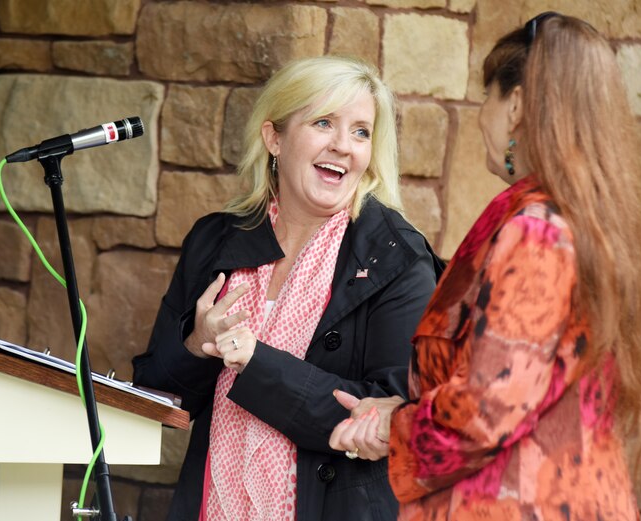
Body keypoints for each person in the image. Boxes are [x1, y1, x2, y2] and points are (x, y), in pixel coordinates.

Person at [329, 13, 641, 520]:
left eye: (486, 96)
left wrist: (391, 427)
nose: (480, 115)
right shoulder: (580, 223)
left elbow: (486, 411)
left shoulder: (539, 232)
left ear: (516, 106)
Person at [132, 56, 442, 521]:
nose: (344, 146)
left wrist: (257, 363)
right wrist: (197, 345)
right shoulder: (216, 240)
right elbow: (154, 395)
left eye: (361, 132)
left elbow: (391, 419)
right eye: (324, 123)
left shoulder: (396, 258)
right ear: (274, 137)